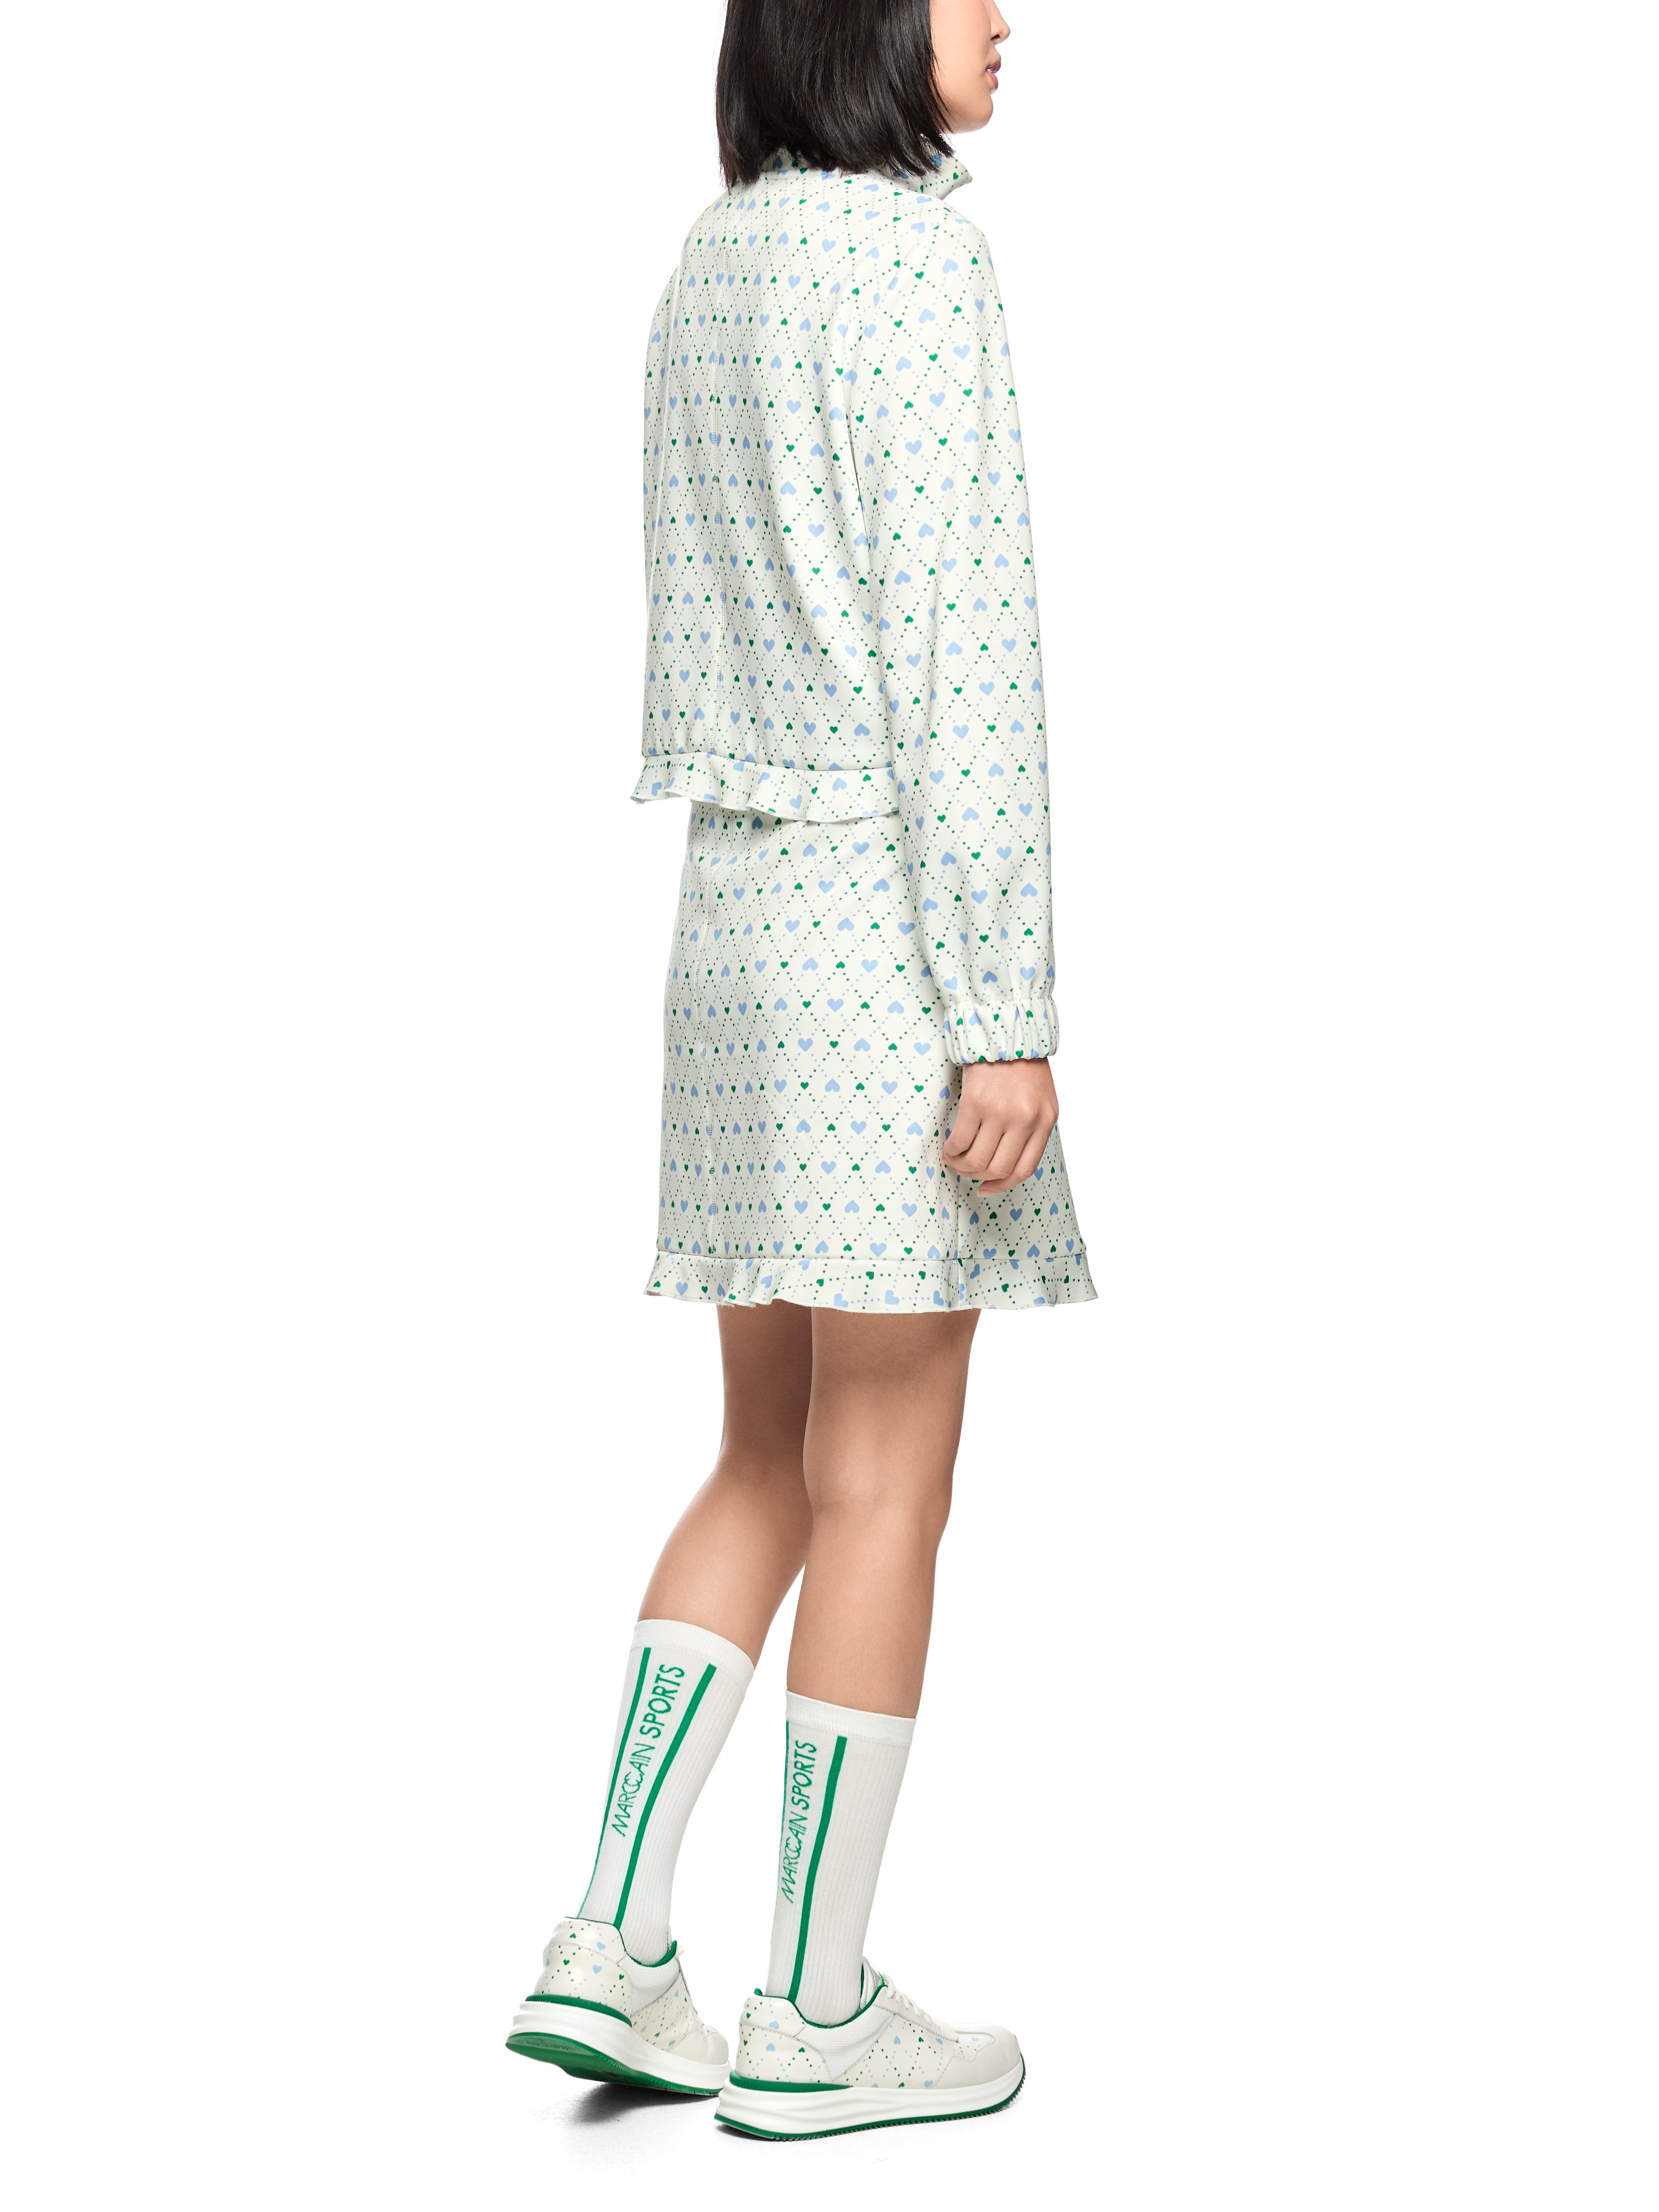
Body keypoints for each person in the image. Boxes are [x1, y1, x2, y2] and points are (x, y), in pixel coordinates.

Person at [506, 0, 1093, 2138]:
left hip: (734, 928)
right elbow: (964, 651)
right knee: (885, 1479)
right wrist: (1005, 1005)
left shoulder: (712, 257)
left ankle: (609, 1937)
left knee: (760, 1454)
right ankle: (817, 2009)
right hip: (884, 937)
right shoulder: (918, 262)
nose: (1004, 15)